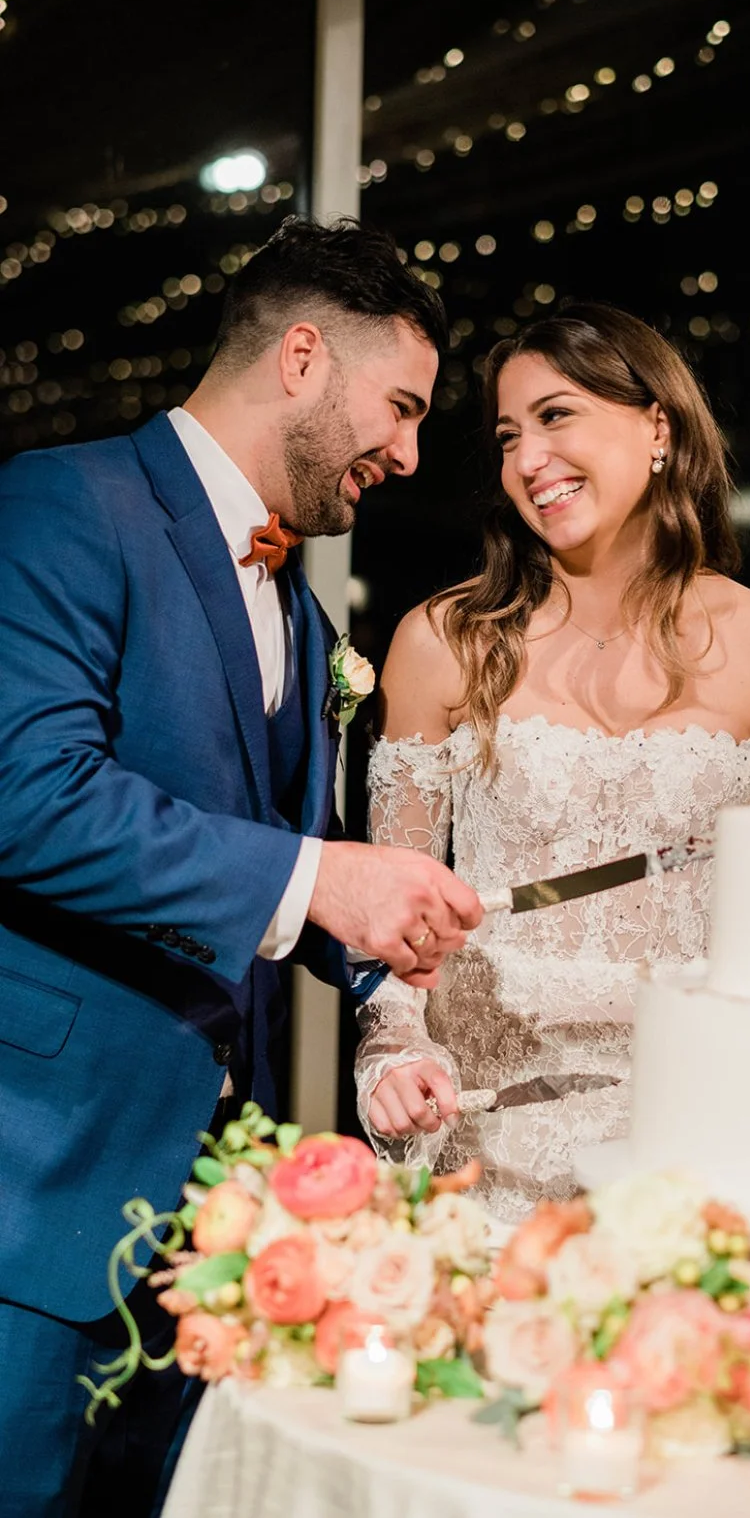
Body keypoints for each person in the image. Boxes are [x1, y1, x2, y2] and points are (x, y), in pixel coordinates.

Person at [0, 215, 482, 1517]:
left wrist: (385, 973)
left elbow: (280, 858)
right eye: (402, 406)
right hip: (36, 1203)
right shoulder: (60, 503)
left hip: (215, 1244)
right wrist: (321, 882)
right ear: (305, 357)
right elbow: (27, 795)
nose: (409, 451)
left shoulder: (308, 610)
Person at [355, 302, 750, 1224]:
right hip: (483, 1156)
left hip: (691, 1156)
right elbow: (390, 932)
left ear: (658, 426)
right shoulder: (443, 642)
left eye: (556, 416)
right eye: (508, 436)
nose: (527, 460)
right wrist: (392, 1057)